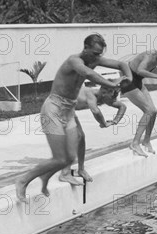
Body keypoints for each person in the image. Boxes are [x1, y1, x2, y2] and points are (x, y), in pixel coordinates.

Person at [15, 33, 131, 203]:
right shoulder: (74, 61)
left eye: (100, 54)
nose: (98, 57)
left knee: (69, 158)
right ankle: (23, 180)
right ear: (85, 48)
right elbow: (88, 73)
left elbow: (122, 64)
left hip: (69, 111)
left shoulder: (94, 60)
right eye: (95, 53)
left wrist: (128, 78)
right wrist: (113, 84)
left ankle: (45, 177)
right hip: (53, 108)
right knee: (59, 158)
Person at [59, 84, 127, 183]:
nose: (113, 100)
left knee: (81, 137)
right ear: (103, 93)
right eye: (112, 97)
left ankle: (81, 169)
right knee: (74, 137)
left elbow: (122, 106)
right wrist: (103, 123)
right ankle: (64, 174)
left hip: (69, 108)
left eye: (115, 97)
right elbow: (95, 111)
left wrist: (115, 121)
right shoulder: (91, 95)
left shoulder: (104, 97)